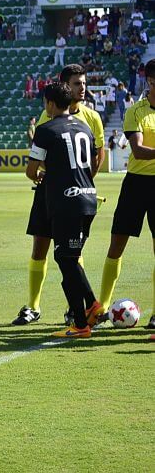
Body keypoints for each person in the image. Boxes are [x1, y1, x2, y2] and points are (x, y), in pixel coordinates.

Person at [12, 64, 104, 326]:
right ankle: (82, 310)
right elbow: (93, 157)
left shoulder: (46, 126)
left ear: (50, 103)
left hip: (63, 197)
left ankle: (83, 314)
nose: (82, 87)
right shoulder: (85, 127)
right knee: (65, 256)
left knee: (66, 258)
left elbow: (32, 169)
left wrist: (43, 176)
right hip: (85, 196)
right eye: (77, 83)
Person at [96, 59, 155, 329]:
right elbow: (139, 150)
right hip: (136, 184)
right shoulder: (136, 111)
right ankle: (103, 307)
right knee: (117, 245)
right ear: (149, 81)